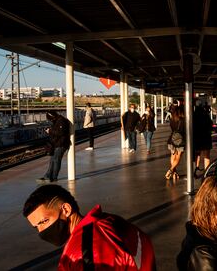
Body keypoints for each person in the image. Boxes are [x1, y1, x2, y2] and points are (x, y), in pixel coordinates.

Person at [23, 184, 156, 270]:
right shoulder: (106, 220)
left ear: (66, 209)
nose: (41, 231)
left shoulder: (86, 251)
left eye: (44, 221)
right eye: (36, 227)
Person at [37, 111, 70, 183]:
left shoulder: (61, 121)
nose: (51, 121)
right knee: (53, 161)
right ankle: (49, 176)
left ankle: (53, 177)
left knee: (56, 161)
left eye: (51, 119)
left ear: (52, 117)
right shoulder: (58, 120)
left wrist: (50, 131)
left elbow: (60, 132)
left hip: (61, 144)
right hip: (57, 144)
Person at [193, 101, 213, 178]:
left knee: (197, 153)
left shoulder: (194, 115)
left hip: (197, 137)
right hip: (206, 137)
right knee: (206, 155)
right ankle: (206, 171)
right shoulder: (206, 115)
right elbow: (210, 125)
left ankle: (196, 168)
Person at [166, 105, 185, 179]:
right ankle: (170, 170)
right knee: (178, 156)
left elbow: (172, 128)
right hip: (180, 140)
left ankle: (174, 173)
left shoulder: (172, 119)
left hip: (172, 139)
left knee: (173, 156)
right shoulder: (183, 120)